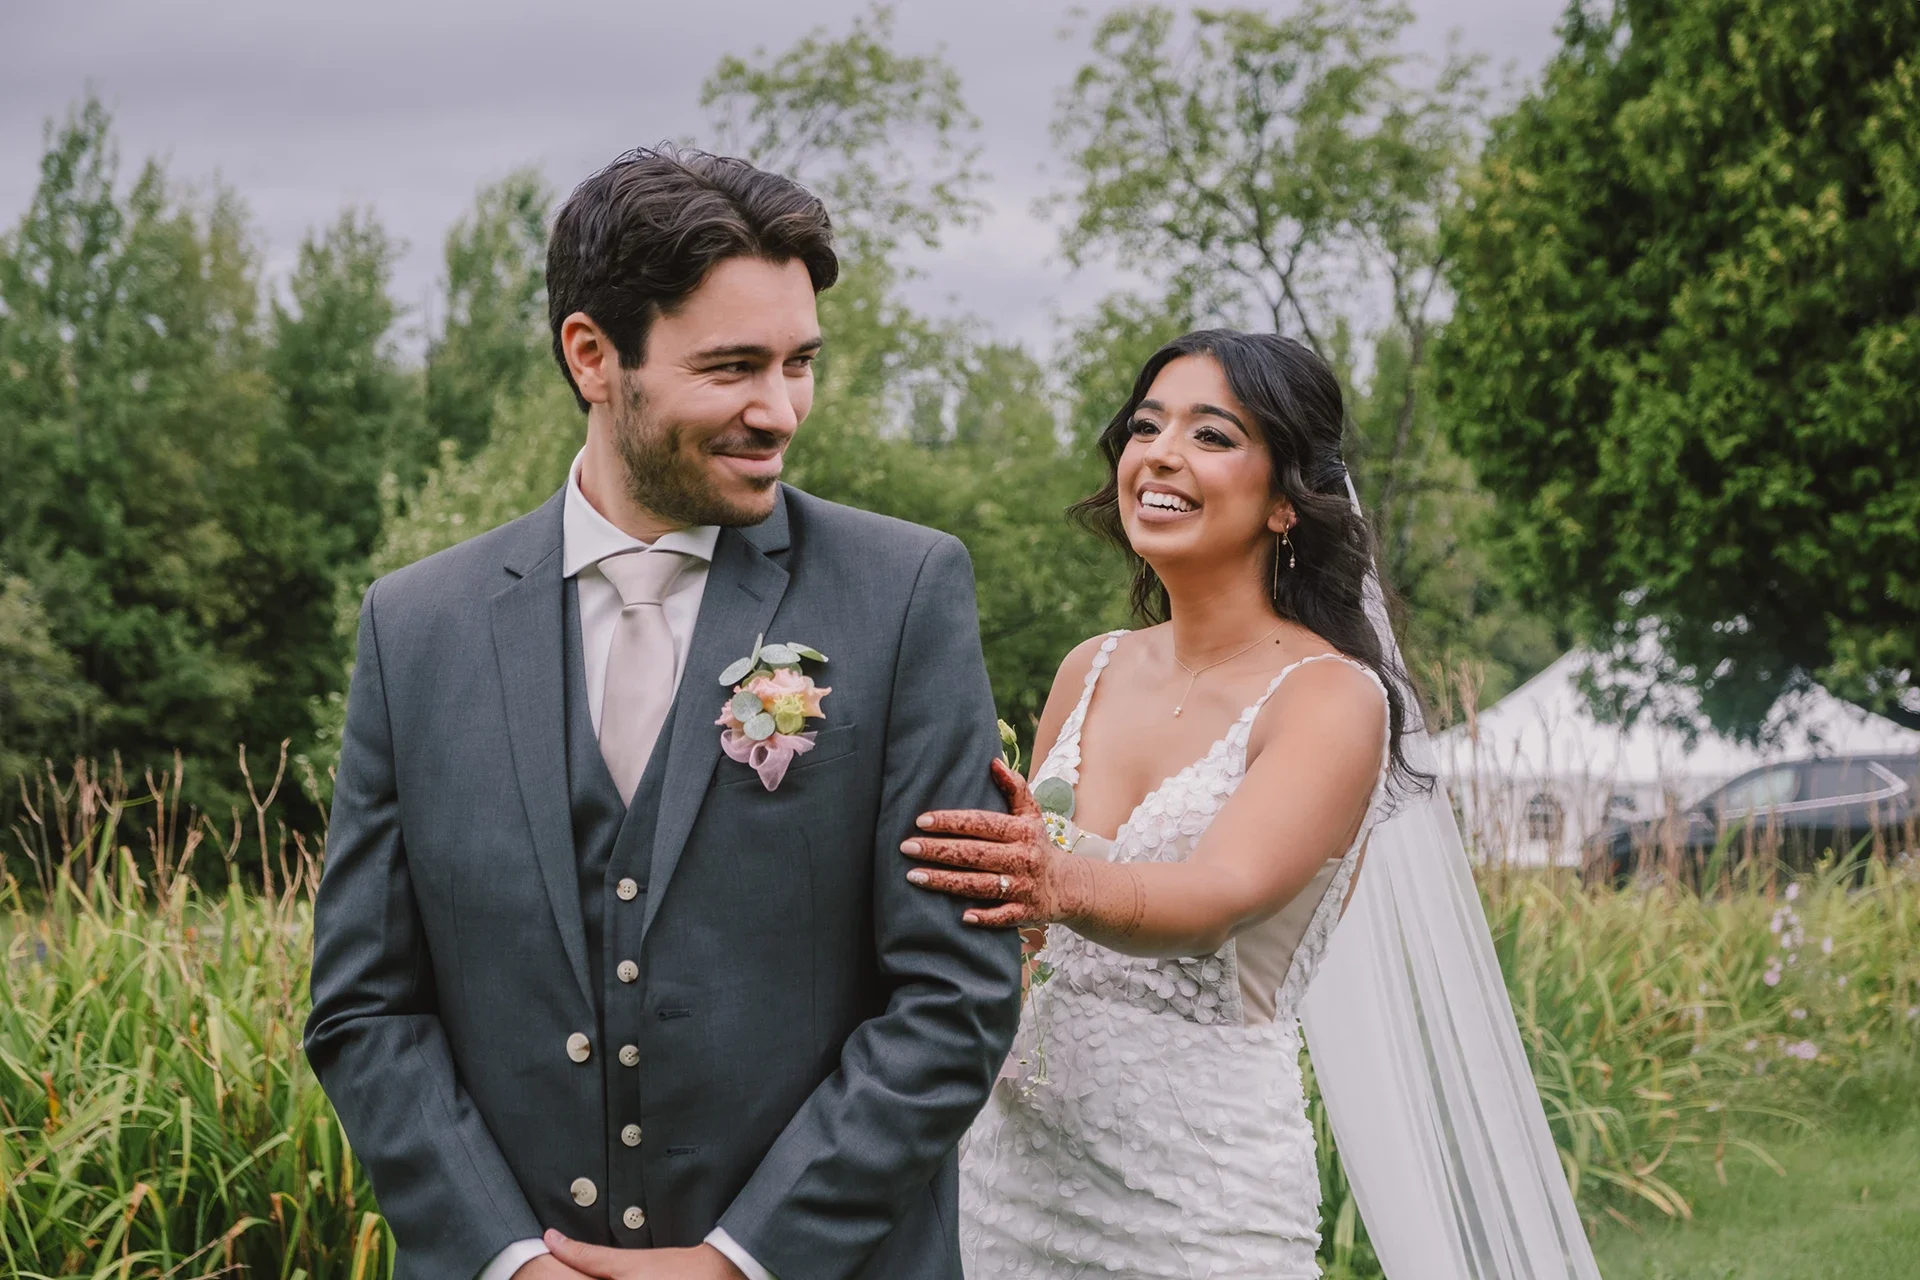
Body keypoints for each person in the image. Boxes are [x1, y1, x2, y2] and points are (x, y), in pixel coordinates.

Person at [303, 146, 1021, 1280]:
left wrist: (742, 1258)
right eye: (732, 365)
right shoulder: (416, 626)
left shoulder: (905, 593)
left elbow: (954, 993)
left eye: (800, 363)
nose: (779, 410)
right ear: (593, 356)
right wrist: (508, 1259)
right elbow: (364, 1007)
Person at [909, 330, 1603, 1279]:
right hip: (1009, 1183)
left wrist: (1051, 876)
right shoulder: (1092, 668)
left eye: (1212, 435)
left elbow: (1217, 897)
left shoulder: (1331, 699)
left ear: (1286, 501)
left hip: (1193, 1197)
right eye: (1146, 426)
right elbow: (1033, 931)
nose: (1159, 453)